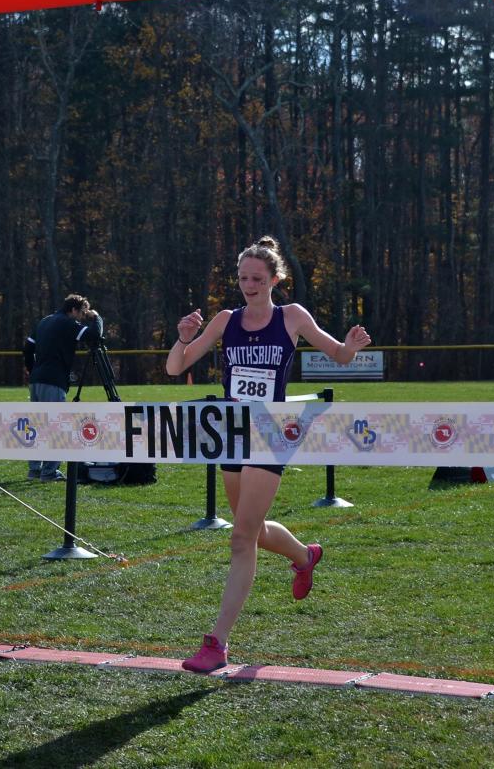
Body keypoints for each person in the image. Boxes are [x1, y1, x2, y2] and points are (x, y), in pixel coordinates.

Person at [166, 236, 372, 673]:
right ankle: (304, 555)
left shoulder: (292, 316)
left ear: (275, 279)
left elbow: (337, 354)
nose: (249, 286)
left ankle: (216, 643)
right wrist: (182, 339)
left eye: (257, 279)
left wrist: (351, 346)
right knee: (253, 532)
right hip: (232, 434)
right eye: (243, 278)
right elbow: (175, 368)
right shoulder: (225, 320)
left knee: (240, 538)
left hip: (272, 433)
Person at [23, 293, 98, 480]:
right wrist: (97, 318)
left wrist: (33, 370)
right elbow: (95, 335)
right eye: (81, 313)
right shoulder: (67, 323)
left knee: (37, 425)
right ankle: (49, 472)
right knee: (56, 425)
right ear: (73, 310)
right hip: (53, 380)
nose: (82, 317)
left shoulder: (45, 321)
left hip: (36, 380)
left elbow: (27, 348)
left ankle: (34, 469)